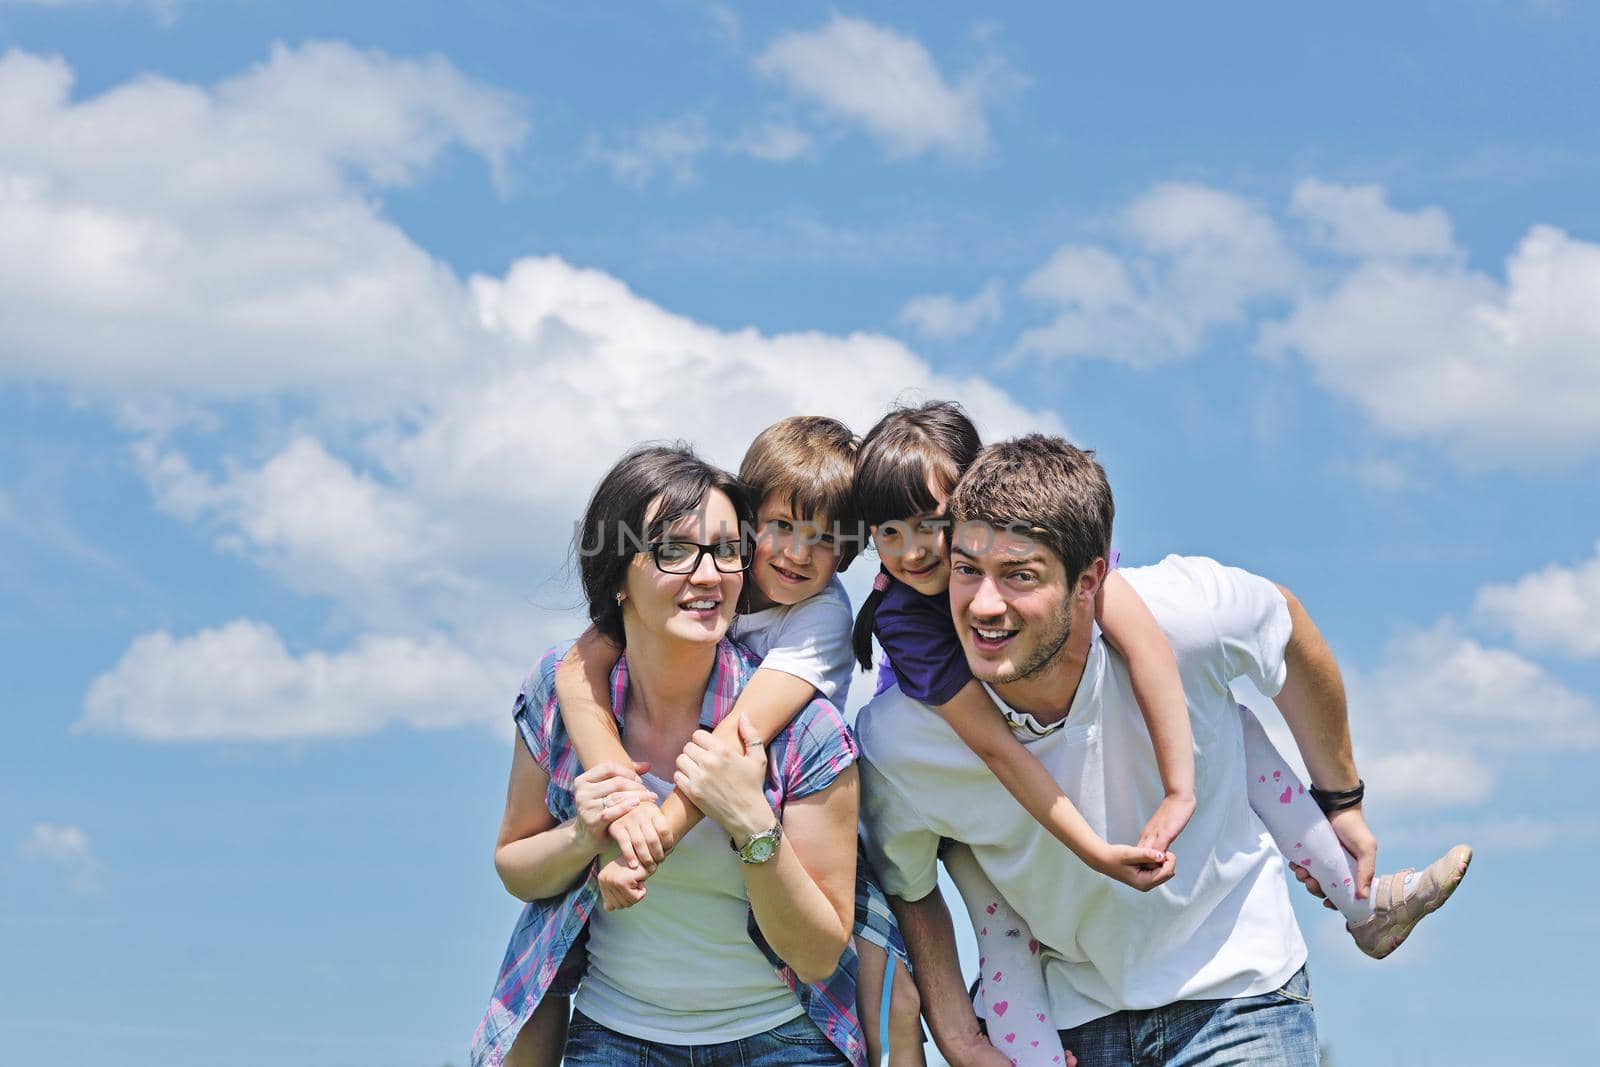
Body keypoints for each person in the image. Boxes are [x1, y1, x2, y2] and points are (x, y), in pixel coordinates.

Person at [857, 434, 1471, 1066]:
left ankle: (1366, 904)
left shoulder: (1181, 614)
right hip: (1072, 1021)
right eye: (967, 570)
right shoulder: (905, 733)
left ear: (1089, 581)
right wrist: (958, 1035)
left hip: (1239, 993)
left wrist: (1340, 795)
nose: (985, 604)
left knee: (1241, 729)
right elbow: (909, 881)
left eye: (1021, 576)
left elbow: (1285, 628)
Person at [471, 444, 868, 1067]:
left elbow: (819, 955)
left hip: (782, 1039)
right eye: (673, 551)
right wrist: (583, 835)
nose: (707, 575)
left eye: (727, 550)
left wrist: (751, 824)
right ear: (617, 577)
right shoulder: (563, 692)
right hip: (612, 1036)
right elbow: (516, 867)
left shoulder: (806, 728)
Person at [551, 417, 923, 1065]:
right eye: (781, 528)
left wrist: (644, 844)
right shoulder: (704, 579)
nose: (798, 554)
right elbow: (574, 667)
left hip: (798, 813)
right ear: (747, 521)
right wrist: (617, 784)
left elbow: (732, 743)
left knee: (887, 992)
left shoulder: (820, 616)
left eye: (825, 540)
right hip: (678, 858)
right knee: (551, 961)